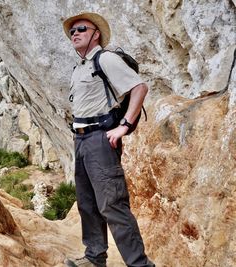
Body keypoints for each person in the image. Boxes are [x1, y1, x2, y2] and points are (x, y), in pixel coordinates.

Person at [62, 11, 155, 267]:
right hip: (80, 140)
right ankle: (94, 258)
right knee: (87, 204)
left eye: (81, 29)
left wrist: (124, 125)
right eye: (72, 31)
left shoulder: (106, 59)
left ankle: (139, 264)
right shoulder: (79, 68)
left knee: (112, 205)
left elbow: (139, 87)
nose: (75, 34)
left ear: (96, 34)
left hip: (100, 141)